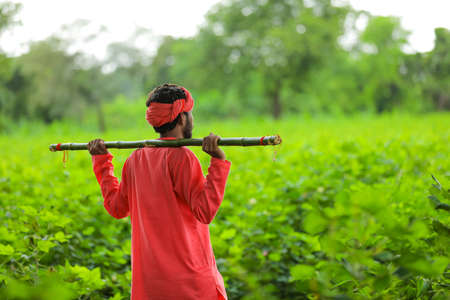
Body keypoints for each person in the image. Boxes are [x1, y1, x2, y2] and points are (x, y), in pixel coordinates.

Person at [87, 83, 231, 300]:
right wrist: (218, 161)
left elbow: (117, 208)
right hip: (188, 284)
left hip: (150, 285)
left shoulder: (135, 159)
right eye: (190, 114)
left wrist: (101, 162)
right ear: (183, 118)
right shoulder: (182, 157)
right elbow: (205, 211)